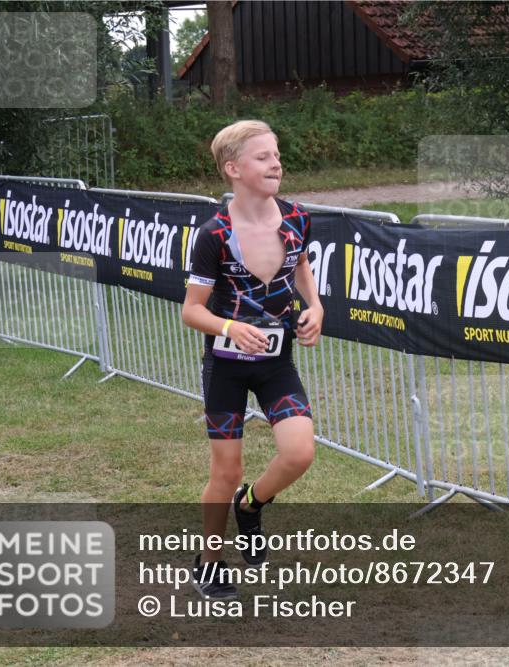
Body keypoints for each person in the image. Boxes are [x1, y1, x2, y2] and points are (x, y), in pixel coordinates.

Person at [181, 120, 324, 599]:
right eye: (263, 157)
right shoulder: (214, 235)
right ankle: (210, 559)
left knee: (300, 451)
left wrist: (316, 307)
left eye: (277, 154)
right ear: (233, 169)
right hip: (225, 365)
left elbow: (301, 264)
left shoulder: (298, 218)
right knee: (226, 472)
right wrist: (229, 327)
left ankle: (252, 505)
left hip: (276, 361)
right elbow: (191, 311)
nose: (276, 163)